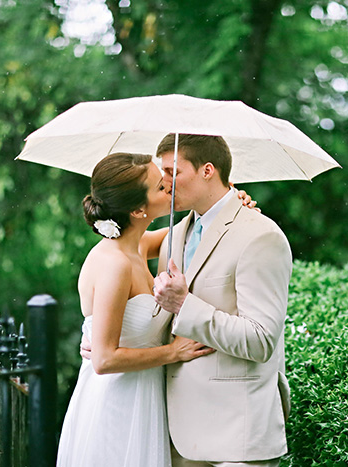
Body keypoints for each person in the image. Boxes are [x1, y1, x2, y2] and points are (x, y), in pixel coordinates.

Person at [57, 152, 256, 467]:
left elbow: (198, 233)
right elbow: (104, 359)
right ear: (138, 209)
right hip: (117, 404)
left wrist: (229, 206)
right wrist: (173, 353)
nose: (169, 186)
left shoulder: (136, 244)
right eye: (160, 187)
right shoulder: (114, 264)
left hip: (145, 395)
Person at [152, 134, 292, 467]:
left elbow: (260, 340)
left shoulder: (260, 235)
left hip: (237, 438)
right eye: (162, 172)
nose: (164, 181)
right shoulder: (172, 237)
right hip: (176, 437)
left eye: (173, 171)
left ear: (208, 170)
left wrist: (186, 305)